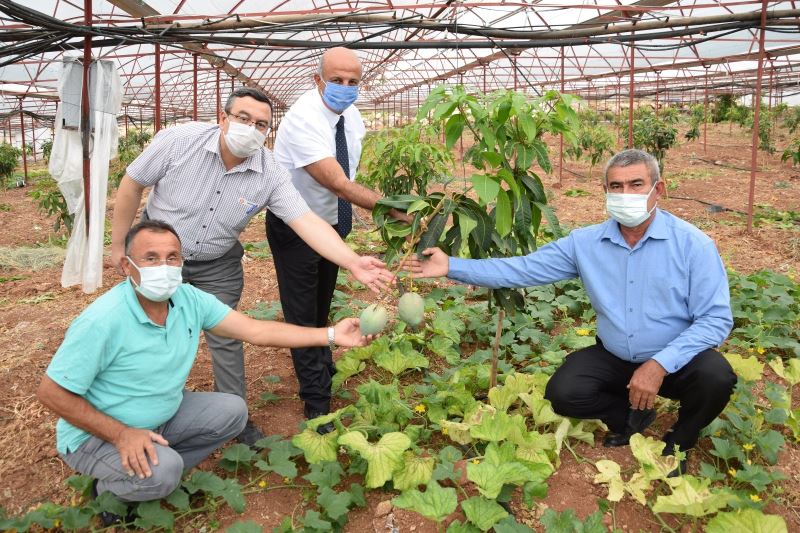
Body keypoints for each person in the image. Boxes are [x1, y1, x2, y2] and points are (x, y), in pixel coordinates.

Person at [404, 149, 736, 475]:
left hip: (676, 360)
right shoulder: (585, 244)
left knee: (716, 378)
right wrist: (452, 265)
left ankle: (681, 440)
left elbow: (716, 319)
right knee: (564, 393)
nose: (626, 194)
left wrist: (660, 364)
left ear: (658, 189)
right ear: (605, 192)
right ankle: (629, 416)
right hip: (616, 355)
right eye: (616, 187)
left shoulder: (694, 245)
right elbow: (522, 269)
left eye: (636, 184)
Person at [110, 87, 394, 446]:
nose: (251, 128)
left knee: (226, 337)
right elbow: (132, 182)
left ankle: (233, 418)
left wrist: (352, 261)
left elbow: (304, 220)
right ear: (223, 118)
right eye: (243, 118)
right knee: (144, 332)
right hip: (159, 258)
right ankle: (134, 417)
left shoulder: (269, 172)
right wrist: (120, 246)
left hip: (217, 262)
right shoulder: (179, 142)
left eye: (261, 125)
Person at [38, 220, 373, 512]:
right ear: (127, 267)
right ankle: (111, 490)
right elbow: (51, 393)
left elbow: (257, 331)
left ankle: (149, 466)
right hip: (96, 436)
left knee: (232, 411)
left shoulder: (187, 299)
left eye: (172, 258)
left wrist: (330, 334)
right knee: (165, 472)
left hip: (160, 418)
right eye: (150, 258)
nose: (163, 267)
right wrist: (123, 434)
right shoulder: (103, 320)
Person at [268, 47, 410, 427]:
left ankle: (321, 361)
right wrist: (397, 209)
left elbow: (346, 182)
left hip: (332, 225)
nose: (345, 88)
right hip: (296, 227)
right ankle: (316, 400)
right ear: (318, 80)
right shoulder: (302, 119)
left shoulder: (352, 116)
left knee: (320, 303)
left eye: (353, 82)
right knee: (301, 314)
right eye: (336, 81)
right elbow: (340, 183)